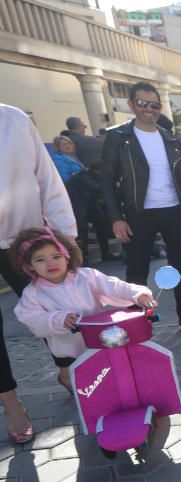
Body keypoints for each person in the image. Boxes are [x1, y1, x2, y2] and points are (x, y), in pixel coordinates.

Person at [101, 81, 181, 333]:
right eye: (142, 103)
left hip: (173, 211)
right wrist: (116, 218)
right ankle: (141, 319)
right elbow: (106, 181)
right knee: (137, 271)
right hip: (139, 213)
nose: (149, 109)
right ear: (131, 104)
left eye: (154, 105)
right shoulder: (118, 137)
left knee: (180, 267)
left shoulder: (170, 138)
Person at [0, 103, 78, 443]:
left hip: (24, 238)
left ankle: (67, 370)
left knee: (53, 306)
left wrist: (65, 237)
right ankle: (11, 402)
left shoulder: (13, 120)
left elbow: (48, 180)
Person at [12, 227, 154, 394]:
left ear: (67, 255)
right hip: (71, 352)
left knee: (118, 381)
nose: (50, 263)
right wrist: (58, 319)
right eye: (40, 260)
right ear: (29, 265)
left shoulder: (87, 277)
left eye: (56, 256)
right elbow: (30, 316)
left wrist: (138, 294)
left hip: (104, 342)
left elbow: (114, 287)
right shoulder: (33, 293)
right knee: (91, 391)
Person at [65, 160, 117, 263]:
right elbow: (97, 188)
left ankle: (105, 253)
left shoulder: (89, 174)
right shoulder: (83, 175)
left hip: (89, 201)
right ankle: (83, 258)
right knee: (82, 228)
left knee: (101, 223)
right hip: (77, 202)